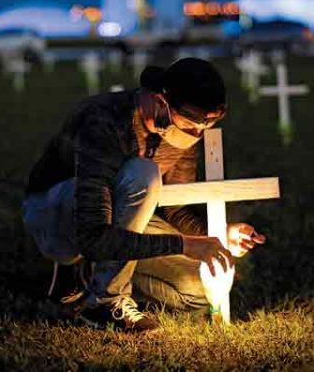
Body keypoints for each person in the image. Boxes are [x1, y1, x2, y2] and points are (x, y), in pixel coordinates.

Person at [22, 57, 266, 332]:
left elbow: (176, 209)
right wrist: (184, 245)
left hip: (124, 218)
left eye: (204, 128)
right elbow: (92, 236)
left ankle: (96, 276)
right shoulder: (103, 121)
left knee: (199, 287)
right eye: (190, 125)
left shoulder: (183, 133)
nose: (195, 134)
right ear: (159, 100)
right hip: (62, 213)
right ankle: (103, 302)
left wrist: (218, 234)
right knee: (143, 172)